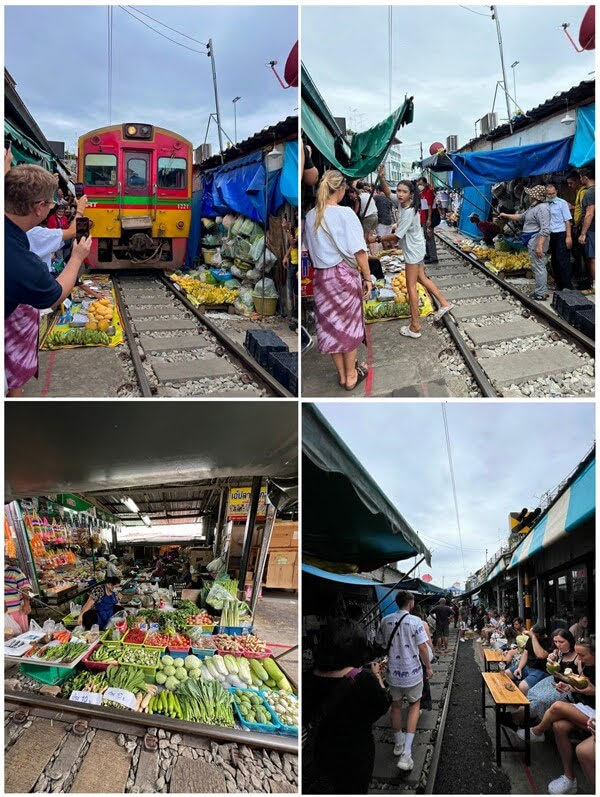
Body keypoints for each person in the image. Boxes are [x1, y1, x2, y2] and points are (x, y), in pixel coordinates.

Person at [5, 165, 93, 396]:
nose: (54, 207)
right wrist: (77, 257)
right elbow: (53, 296)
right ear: (39, 208)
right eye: (51, 203)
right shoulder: (20, 261)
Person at [303, 170, 373, 390]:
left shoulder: (311, 215)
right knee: (349, 326)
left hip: (322, 278)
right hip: (343, 276)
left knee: (331, 326)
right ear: (341, 189)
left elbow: (310, 250)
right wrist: (368, 278)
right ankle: (352, 375)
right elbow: (359, 251)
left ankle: (342, 375)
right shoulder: (345, 214)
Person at [303, 620, 390, 793]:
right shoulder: (364, 679)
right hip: (355, 753)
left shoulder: (308, 677)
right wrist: (378, 676)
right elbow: (382, 706)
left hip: (321, 749)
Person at [377, 168, 453, 338]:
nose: (400, 194)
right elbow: (388, 193)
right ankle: (444, 303)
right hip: (416, 247)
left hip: (412, 250)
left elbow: (396, 237)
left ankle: (415, 326)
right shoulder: (404, 203)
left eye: (404, 191)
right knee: (421, 278)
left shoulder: (408, 211)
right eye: (399, 191)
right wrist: (382, 178)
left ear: (411, 194)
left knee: (411, 286)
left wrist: (376, 239)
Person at [518, 636, 595, 794]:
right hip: (586, 708)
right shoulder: (586, 665)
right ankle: (569, 778)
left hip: (593, 712)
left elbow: (591, 689)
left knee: (557, 706)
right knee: (558, 726)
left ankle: (537, 731)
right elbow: (582, 686)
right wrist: (568, 687)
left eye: (582, 655)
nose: (578, 658)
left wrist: (593, 691)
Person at [375, 590, 432, 771]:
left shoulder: (385, 620)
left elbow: (381, 643)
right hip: (413, 673)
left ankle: (398, 744)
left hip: (393, 674)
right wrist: (428, 667)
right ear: (411, 603)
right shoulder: (416, 622)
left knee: (396, 706)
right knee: (415, 705)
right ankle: (407, 753)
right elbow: (423, 647)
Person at [502, 629, 578, 731]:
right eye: (556, 642)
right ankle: (520, 717)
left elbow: (579, 680)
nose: (558, 645)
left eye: (561, 642)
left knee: (539, 700)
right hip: (553, 680)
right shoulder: (558, 652)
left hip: (566, 688)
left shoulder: (578, 657)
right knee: (532, 692)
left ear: (570, 640)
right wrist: (552, 661)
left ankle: (515, 718)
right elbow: (552, 671)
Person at [499, 185, 551, 300]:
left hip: (537, 241)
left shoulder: (542, 208)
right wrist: (505, 215)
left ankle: (540, 294)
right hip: (532, 240)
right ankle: (541, 290)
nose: (528, 197)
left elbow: (545, 229)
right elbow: (521, 216)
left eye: (531, 194)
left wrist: (540, 245)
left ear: (535, 196)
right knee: (537, 266)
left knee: (539, 267)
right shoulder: (533, 207)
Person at [506, 622, 551, 694]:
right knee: (508, 673)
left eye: (532, 633)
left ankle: (524, 702)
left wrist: (533, 637)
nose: (529, 634)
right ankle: (514, 696)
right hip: (528, 666)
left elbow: (540, 655)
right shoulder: (530, 639)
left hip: (540, 670)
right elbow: (525, 653)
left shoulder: (548, 642)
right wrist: (519, 668)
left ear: (538, 635)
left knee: (523, 686)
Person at [545, 183, 573, 290]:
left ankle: (567, 286)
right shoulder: (545, 204)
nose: (551, 196)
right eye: (549, 194)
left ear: (556, 192)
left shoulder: (562, 203)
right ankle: (559, 284)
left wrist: (568, 236)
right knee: (554, 260)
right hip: (550, 235)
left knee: (563, 260)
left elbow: (567, 221)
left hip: (561, 234)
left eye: (553, 193)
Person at [566, 169, 588, 286]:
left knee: (582, 254)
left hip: (582, 228)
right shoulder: (579, 192)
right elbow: (580, 208)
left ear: (578, 181)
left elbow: (585, 211)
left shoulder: (584, 192)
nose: (570, 186)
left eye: (571, 183)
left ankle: (585, 279)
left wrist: (577, 226)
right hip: (578, 226)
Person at [4, 558, 33, 634]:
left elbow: (24, 588)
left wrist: (27, 604)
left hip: (17, 610)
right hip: (4, 614)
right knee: (8, 638)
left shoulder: (14, 571)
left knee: (22, 634)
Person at [579, 165, 595, 292]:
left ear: (585, 177)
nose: (580, 180)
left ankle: (594, 286)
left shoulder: (590, 192)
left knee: (593, 258)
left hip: (592, 229)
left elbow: (589, 213)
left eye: (580, 177)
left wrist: (583, 233)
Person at [416, 177, 438, 263]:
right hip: (424, 218)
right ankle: (428, 254)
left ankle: (433, 257)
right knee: (426, 236)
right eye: (418, 184)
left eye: (421, 184)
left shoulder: (429, 193)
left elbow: (429, 207)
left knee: (429, 237)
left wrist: (429, 219)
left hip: (428, 218)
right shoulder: (423, 193)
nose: (419, 186)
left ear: (425, 183)